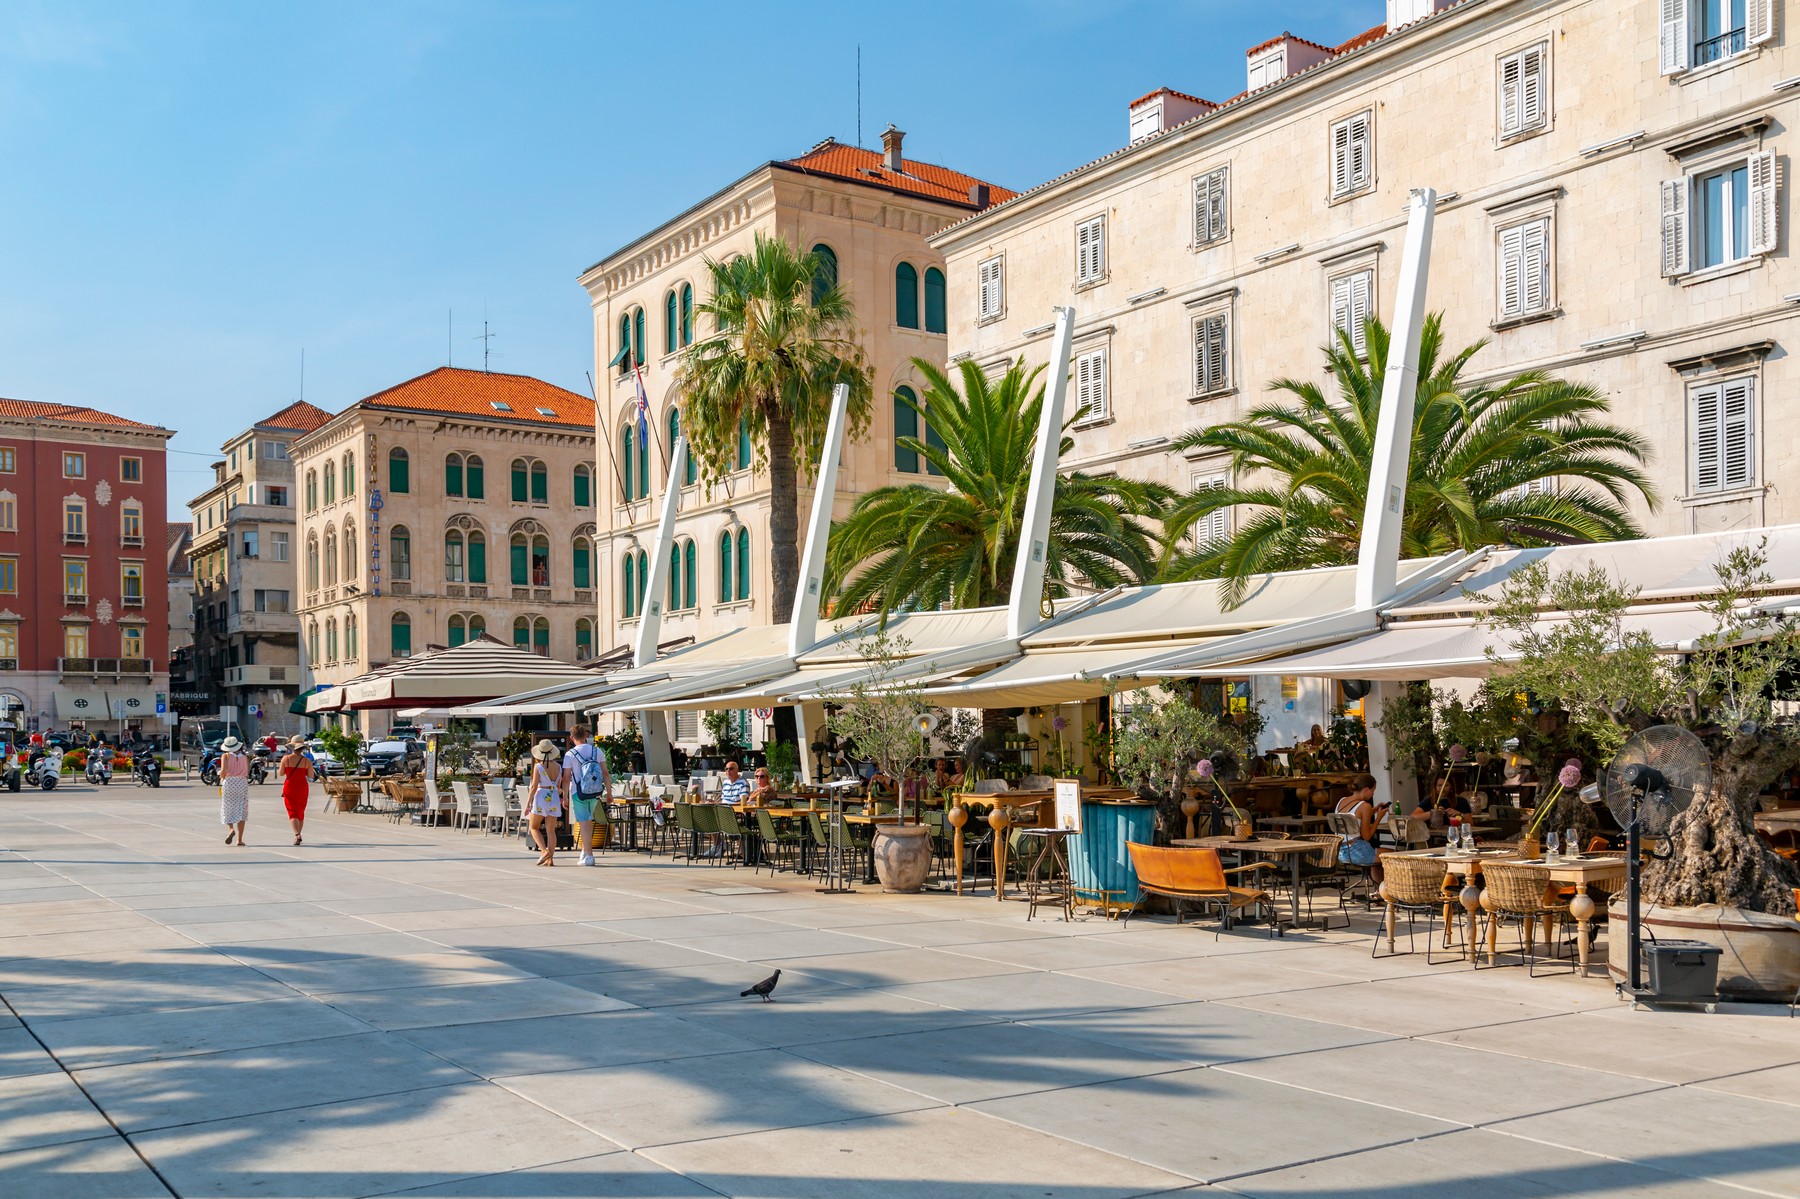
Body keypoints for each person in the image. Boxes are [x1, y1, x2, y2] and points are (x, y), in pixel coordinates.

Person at [561, 725, 611, 868]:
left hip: (579, 793)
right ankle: (584, 851)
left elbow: (566, 778)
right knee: (587, 821)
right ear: (585, 735)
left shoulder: (570, 754)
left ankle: (589, 856)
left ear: (571, 738)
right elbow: (605, 774)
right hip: (595, 792)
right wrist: (609, 793)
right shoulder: (597, 751)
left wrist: (565, 796)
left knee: (584, 823)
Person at [1334, 773, 1387, 873]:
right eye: (1373, 791)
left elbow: (1355, 816)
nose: (1373, 794)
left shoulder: (1342, 801)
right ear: (1366, 789)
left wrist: (1374, 810)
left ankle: (1378, 887)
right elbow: (1367, 836)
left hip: (1340, 851)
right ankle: (1382, 887)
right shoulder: (1365, 806)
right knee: (1392, 855)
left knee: (1378, 853)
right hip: (1357, 852)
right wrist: (1379, 818)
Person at [525, 739, 563, 867]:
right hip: (554, 797)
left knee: (534, 827)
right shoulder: (558, 767)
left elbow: (534, 786)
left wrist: (528, 804)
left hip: (541, 797)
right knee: (551, 830)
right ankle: (550, 859)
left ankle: (544, 851)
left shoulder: (538, 766)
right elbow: (558, 786)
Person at [218, 736, 251, 846]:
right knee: (242, 809)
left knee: (227, 808)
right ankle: (239, 840)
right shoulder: (244, 757)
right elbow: (246, 773)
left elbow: (223, 771)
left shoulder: (225, 756)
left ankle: (231, 829)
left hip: (229, 782)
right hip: (242, 783)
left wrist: (221, 777)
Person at [279, 736, 311, 845]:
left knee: (292, 812)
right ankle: (298, 833)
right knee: (300, 811)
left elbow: (281, 773)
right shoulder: (307, 760)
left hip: (289, 787)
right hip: (302, 787)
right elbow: (310, 775)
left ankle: (297, 834)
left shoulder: (286, 759)